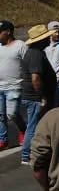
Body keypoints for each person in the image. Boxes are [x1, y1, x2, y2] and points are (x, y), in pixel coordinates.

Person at [20, 25, 58, 167]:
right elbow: (35, 78)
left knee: (38, 124)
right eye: (46, 37)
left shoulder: (36, 53)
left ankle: (38, 151)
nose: (49, 39)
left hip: (34, 97)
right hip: (35, 98)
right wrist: (42, 97)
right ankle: (26, 154)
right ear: (40, 40)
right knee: (33, 125)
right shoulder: (35, 54)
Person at [0, 20, 26, 151]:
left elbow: (27, 64)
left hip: (14, 86)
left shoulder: (20, 45)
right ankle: (2, 140)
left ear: (8, 32)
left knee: (12, 114)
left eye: (0, 32)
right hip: (0, 86)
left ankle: (23, 131)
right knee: (0, 115)